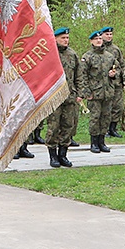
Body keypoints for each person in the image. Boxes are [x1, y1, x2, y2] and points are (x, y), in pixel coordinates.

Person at [45, 27, 81, 168]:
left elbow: (79, 75)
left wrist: (79, 92)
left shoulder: (72, 54)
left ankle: (63, 155)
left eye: (67, 38)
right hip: (54, 97)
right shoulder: (49, 54)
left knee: (67, 126)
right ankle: (53, 156)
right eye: (63, 38)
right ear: (55, 39)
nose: (66, 40)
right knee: (53, 126)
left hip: (69, 96)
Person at [80, 29, 119, 154]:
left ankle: (102, 141)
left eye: (100, 39)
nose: (98, 41)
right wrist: (86, 92)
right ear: (91, 41)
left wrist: (114, 74)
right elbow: (82, 75)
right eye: (96, 39)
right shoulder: (88, 57)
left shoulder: (109, 56)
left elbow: (118, 70)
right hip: (94, 93)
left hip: (107, 92)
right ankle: (94, 142)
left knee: (106, 117)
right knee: (95, 118)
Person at [101, 26, 124, 138]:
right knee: (105, 108)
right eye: (107, 34)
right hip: (103, 85)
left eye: (110, 34)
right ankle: (103, 130)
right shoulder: (99, 49)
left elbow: (121, 65)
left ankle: (113, 129)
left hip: (116, 83)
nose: (109, 36)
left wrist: (119, 76)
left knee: (117, 107)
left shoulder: (116, 49)